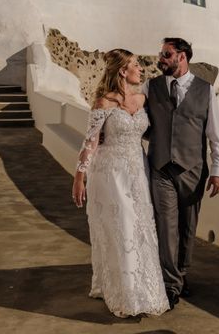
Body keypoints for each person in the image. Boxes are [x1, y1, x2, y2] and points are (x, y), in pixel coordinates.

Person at [72, 49, 169, 318]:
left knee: (141, 228)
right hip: (110, 173)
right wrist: (80, 176)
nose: (142, 69)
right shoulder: (104, 103)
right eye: (136, 65)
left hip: (138, 171)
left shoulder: (142, 98)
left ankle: (146, 291)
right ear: (123, 71)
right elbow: (90, 142)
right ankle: (126, 296)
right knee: (122, 228)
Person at [143, 37, 219, 309]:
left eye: (166, 54)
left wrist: (218, 169)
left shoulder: (206, 90)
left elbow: (215, 133)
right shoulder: (151, 86)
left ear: (182, 56)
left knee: (187, 229)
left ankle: (181, 274)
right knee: (166, 227)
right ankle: (170, 285)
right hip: (160, 168)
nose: (161, 59)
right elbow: (138, 119)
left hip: (193, 170)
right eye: (161, 54)